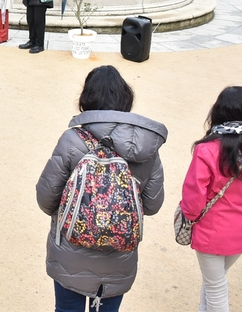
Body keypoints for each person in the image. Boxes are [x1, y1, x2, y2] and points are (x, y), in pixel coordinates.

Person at [36, 65, 167, 312]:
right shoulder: (146, 148)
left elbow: (46, 198)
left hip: (70, 253)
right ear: (126, 98)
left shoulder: (73, 140)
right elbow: (153, 205)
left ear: (87, 98)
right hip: (119, 255)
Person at [180, 86, 242, 312]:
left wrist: (191, 217)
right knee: (214, 280)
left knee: (215, 288)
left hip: (211, 231)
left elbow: (194, 196)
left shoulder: (207, 149)